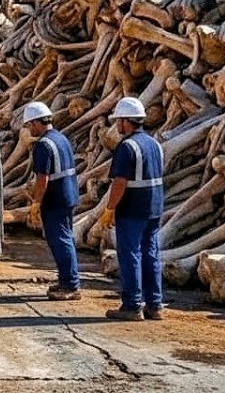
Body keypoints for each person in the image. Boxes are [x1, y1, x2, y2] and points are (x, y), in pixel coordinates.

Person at [99, 96, 165, 322]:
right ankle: (155, 305)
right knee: (151, 254)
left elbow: (120, 182)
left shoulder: (127, 147)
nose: (117, 125)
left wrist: (110, 208)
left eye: (118, 121)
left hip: (132, 209)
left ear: (126, 121)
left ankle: (132, 305)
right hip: (154, 208)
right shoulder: (154, 144)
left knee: (130, 255)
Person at [21, 101, 82, 301]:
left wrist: (36, 202)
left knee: (60, 240)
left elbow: (42, 178)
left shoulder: (43, 145)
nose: (29, 130)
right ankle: (66, 280)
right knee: (65, 238)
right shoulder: (61, 138)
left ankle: (70, 285)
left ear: (36, 123)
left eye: (29, 126)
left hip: (56, 200)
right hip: (68, 196)